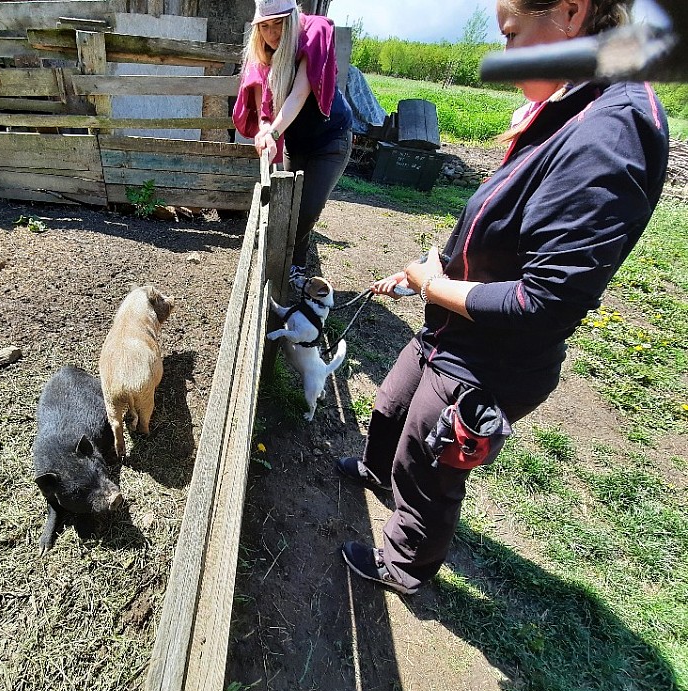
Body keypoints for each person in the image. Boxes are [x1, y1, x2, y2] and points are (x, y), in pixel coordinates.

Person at [335, 0, 669, 596]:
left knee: (429, 463)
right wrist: (436, 265)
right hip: (452, 326)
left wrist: (436, 286)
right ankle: (373, 471)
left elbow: (546, 299)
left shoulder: (613, 131)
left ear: (570, 10)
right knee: (390, 407)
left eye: (511, 32)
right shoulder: (577, 100)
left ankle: (404, 564)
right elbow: (504, 222)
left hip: (491, 354)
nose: (506, 53)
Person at [233, 0, 353, 285]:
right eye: (265, 26)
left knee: (306, 210)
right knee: (289, 206)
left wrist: (273, 134)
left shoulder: (314, 34)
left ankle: (281, 267)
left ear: (292, 19)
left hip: (330, 138)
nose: (272, 33)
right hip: (296, 141)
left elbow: (299, 93)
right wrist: (265, 131)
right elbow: (265, 107)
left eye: (279, 24)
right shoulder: (262, 54)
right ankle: (294, 267)